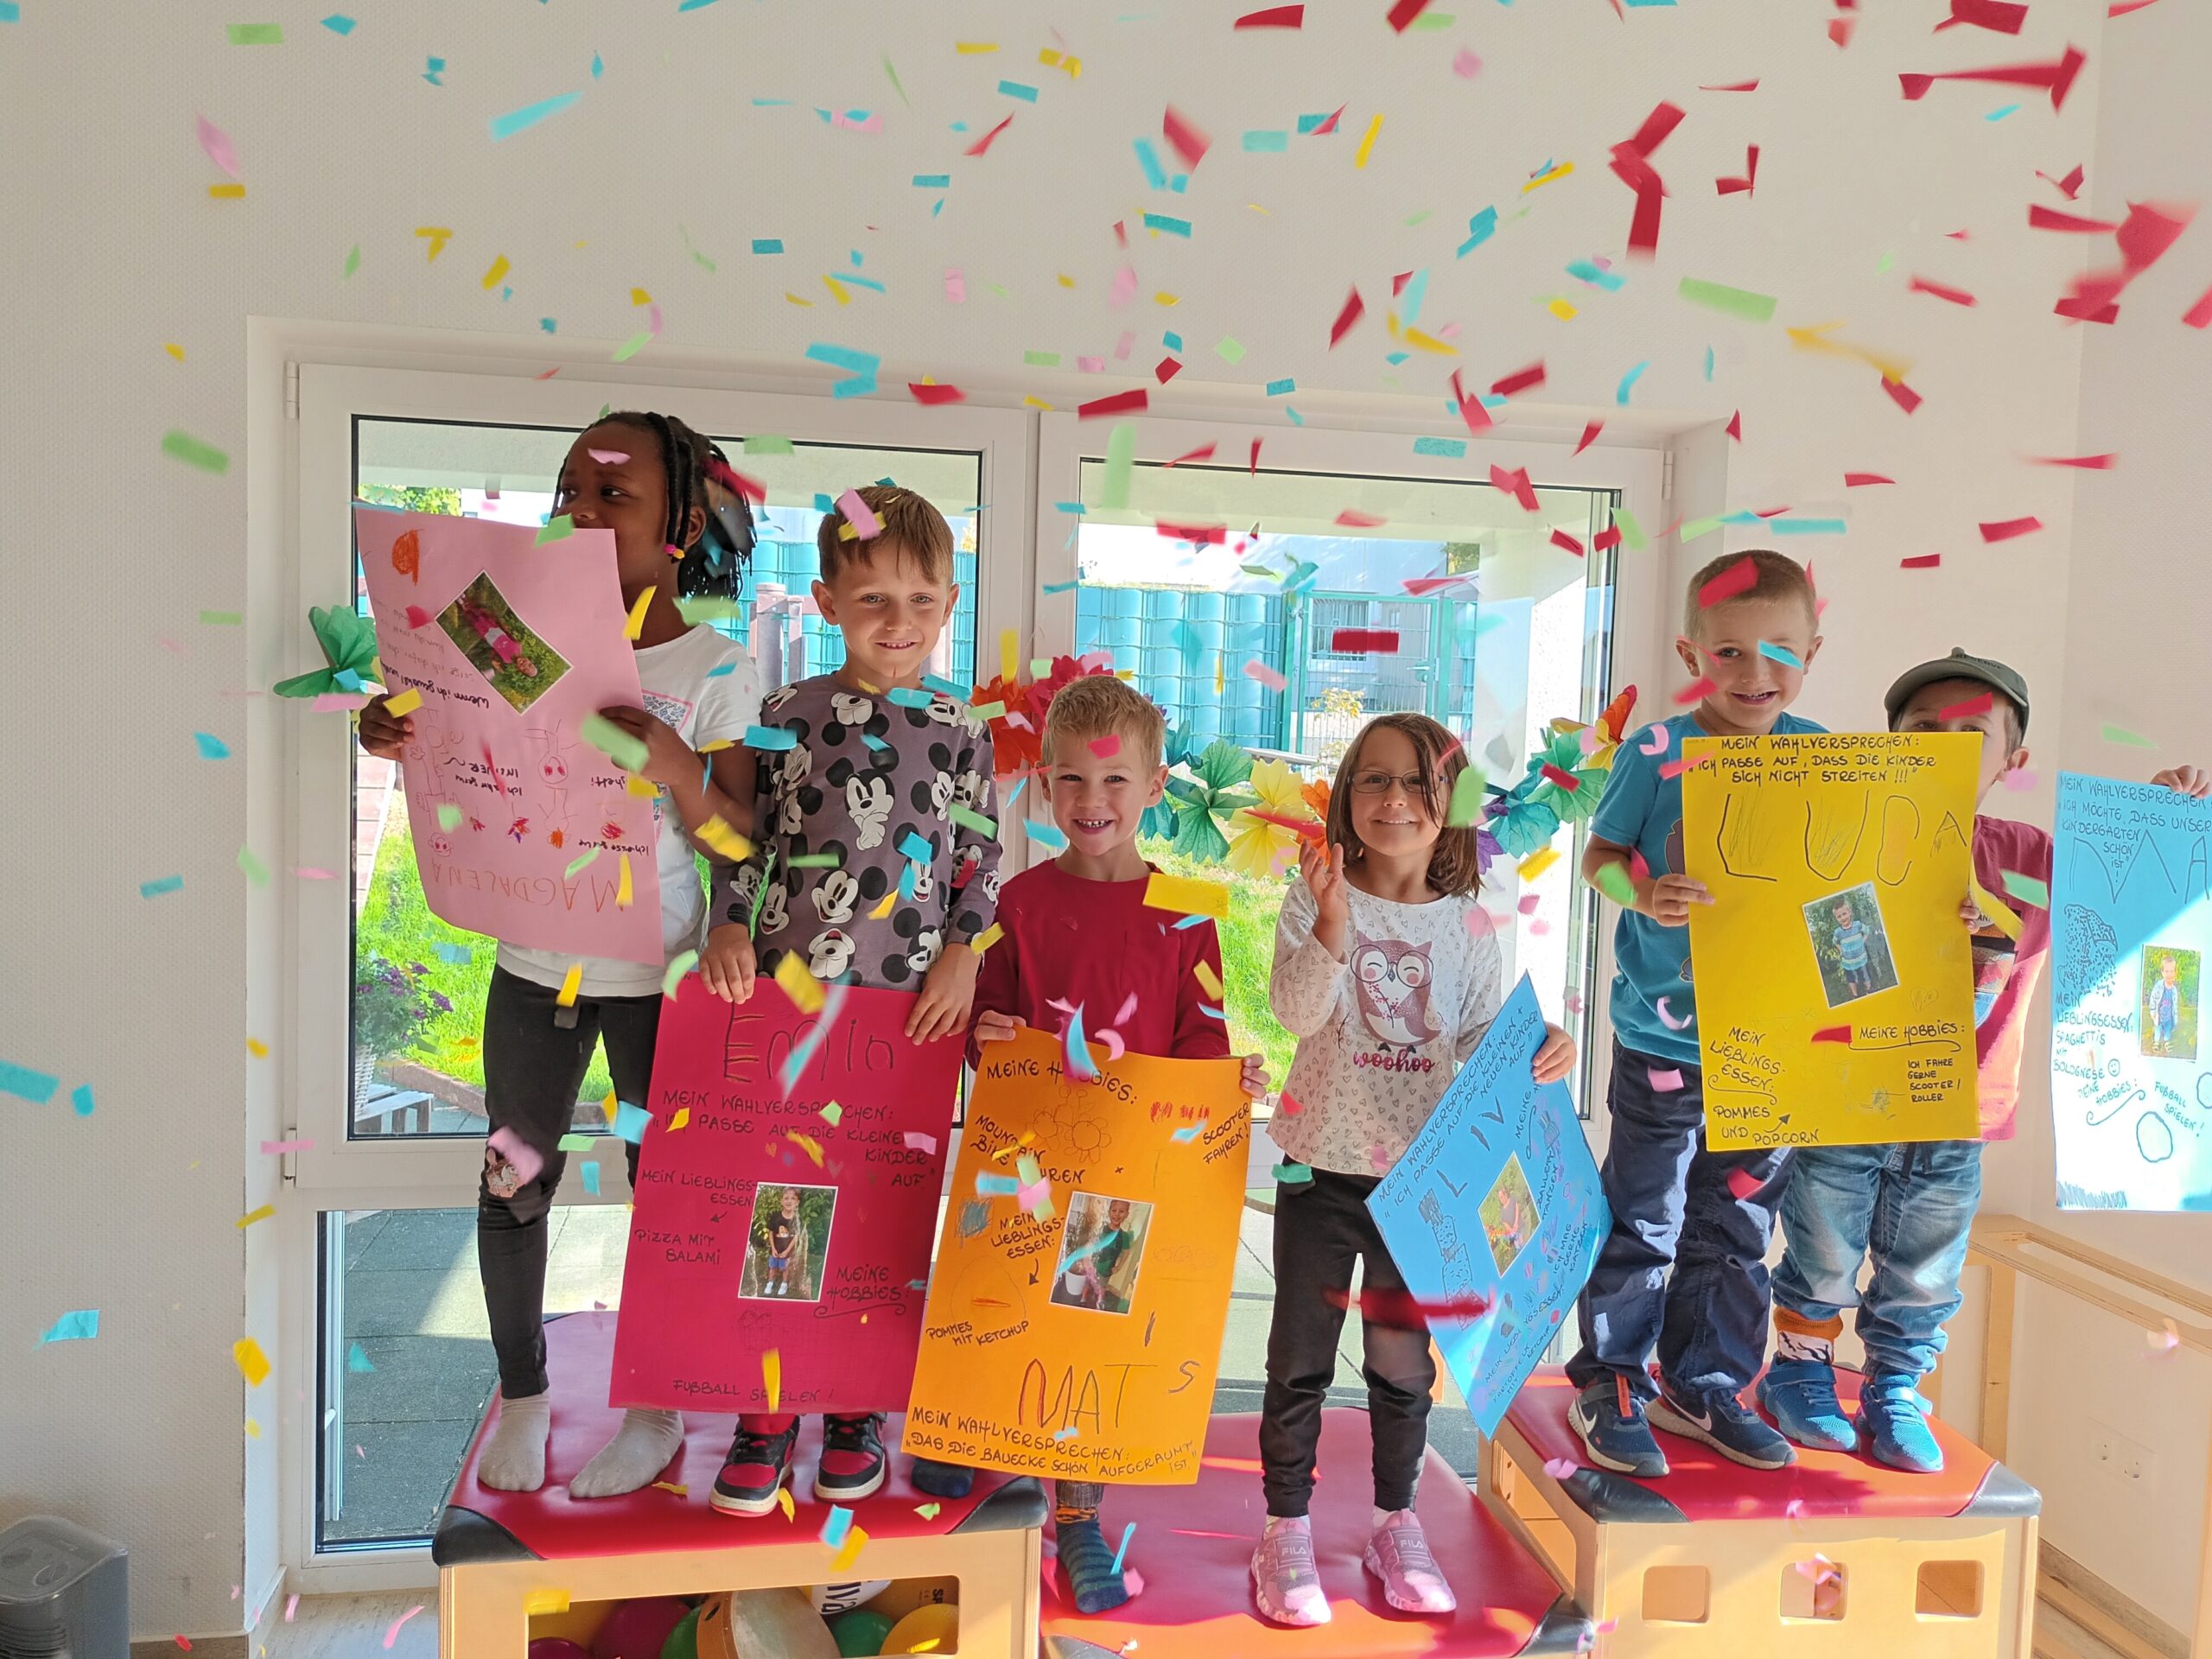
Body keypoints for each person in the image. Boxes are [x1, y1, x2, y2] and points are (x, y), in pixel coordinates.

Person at [359, 410, 764, 1497]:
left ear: (679, 523)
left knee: (663, 1196)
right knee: (510, 1178)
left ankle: (655, 1411)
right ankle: (525, 1394)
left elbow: (742, 841)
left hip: (654, 980)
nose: (580, 511)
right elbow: (452, 734)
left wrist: (679, 768)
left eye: (613, 495)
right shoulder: (501, 635)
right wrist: (392, 729)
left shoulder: (715, 664)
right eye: (568, 491)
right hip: (533, 965)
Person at [1762, 649, 2209, 1471]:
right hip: (1851, 1096)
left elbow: (2107, 911)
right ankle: (1801, 1370)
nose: (1945, 746)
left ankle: (1896, 1385)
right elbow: (1834, 967)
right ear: (1889, 742)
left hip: (1963, 1109)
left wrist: (2154, 818)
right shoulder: (1848, 840)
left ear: (2012, 760)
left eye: (1972, 734)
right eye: (1925, 730)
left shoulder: (2031, 854)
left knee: (1925, 1265)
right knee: (1823, 1243)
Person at [706, 485, 1001, 1518]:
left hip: (908, 1018)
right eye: (873, 597)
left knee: (880, 1217)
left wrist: (965, 952)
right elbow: (746, 838)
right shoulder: (787, 719)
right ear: (828, 600)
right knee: (784, 1210)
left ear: (949, 601)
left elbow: (978, 859)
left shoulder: (962, 731)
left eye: (921, 599)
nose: (898, 621)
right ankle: (768, 1412)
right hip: (792, 1008)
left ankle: (855, 1411)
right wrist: (729, 920)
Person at [1253, 713, 1575, 1627]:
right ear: (1348, 798)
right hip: (1317, 1171)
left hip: (1422, 1182)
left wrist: (1537, 1042)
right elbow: (1295, 1013)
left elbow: (1475, 1033)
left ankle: (1397, 1520)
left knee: (1401, 1368)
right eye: (1374, 781)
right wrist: (1330, 918)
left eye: (1418, 786)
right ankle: (1285, 1527)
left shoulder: (1470, 920)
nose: (1394, 801)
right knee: (1297, 1362)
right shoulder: (1312, 893)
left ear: (1451, 808)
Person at [968, 671, 1270, 1612]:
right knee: (1002, 1306)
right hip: (1026, 1163)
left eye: (1112, 784)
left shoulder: (1186, 908)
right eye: (1068, 781)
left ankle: (1074, 1516)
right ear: (1045, 784)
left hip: (1123, 1176)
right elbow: (988, 1026)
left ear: (1152, 787)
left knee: (1086, 1336)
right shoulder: (1014, 901)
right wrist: (987, 1038)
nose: (1089, 803)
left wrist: (1221, 1083)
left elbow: (1201, 1037)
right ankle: (967, 1442)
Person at [1567, 549, 1824, 1478]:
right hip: (1663, 1042)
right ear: (1691, 653)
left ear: (1812, 651)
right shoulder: (1657, 752)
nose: (1755, 675)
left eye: (1779, 653)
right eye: (1729, 654)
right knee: (1646, 1213)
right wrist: (1641, 893)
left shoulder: (1823, 757)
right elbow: (1594, 859)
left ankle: (1705, 1381)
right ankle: (1612, 1377)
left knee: (1741, 1223)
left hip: (1774, 1044)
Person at [1831, 896, 1873, 1000]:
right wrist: (1841, 949)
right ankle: (1855, 994)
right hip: (1848, 962)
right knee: (1851, 980)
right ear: (1836, 919)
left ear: (1850, 912)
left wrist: (1863, 940)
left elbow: (1867, 931)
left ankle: (1869, 990)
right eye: (1839, 916)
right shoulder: (1838, 932)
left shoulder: (1858, 925)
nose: (1843, 918)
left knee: (1865, 976)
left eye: (1844, 914)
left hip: (1861, 958)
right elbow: (1835, 942)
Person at [2152, 953, 2181, 1052]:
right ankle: (2156, 1042)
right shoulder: (2158, 986)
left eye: (2171, 971)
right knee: (2158, 1029)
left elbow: (2175, 1006)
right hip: (2160, 1016)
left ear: (2175, 973)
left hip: (2169, 1017)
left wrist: (2175, 1018)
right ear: (2162, 973)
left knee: (2168, 1029)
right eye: (2167, 971)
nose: (2169, 974)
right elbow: (2153, 998)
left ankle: (2167, 1041)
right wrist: (2153, 1012)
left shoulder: (2174, 990)